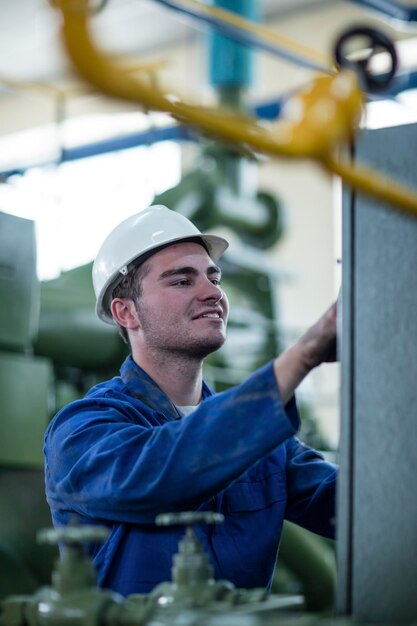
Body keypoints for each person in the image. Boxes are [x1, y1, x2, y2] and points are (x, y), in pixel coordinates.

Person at [44, 204, 338, 598]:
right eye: (182, 281)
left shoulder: (266, 444)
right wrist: (302, 355)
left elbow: (357, 504)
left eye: (213, 277)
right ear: (126, 312)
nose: (213, 292)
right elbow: (164, 472)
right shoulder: (81, 432)